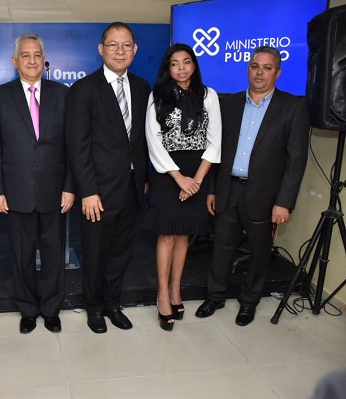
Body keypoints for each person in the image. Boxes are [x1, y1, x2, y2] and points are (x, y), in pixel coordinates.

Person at [195, 46, 310, 326]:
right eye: (255, 66)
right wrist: (211, 188)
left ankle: (249, 302)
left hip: (266, 195)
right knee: (221, 246)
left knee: (259, 252)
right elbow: (215, 151)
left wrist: (284, 202)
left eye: (267, 67)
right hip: (227, 188)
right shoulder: (230, 104)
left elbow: (296, 160)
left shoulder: (293, 107)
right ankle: (216, 296)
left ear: (278, 72)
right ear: (248, 69)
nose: (259, 72)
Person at [0, 33, 74, 334]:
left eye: (37, 54)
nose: (32, 60)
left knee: (53, 255)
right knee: (21, 255)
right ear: (15, 61)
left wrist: (70, 186)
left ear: (44, 60)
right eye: (26, 55)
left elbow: (71, 146)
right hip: (16, 191)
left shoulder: (62, 94)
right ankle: (27, 309)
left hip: (54, 191)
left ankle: (51, 309)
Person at [65, 22, 150, 334]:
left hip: (132, 188)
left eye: (126, 45)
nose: (120, 51)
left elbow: (141, 140)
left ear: (135, 50)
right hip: (98, 191)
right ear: (100, 49)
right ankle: (94, 307)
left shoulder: (142, 87)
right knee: (97, 252)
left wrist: (144, 177)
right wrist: (87, 191)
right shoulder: (84, 90)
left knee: (122, 250)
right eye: (113, 45)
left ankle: (113, 303)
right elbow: (78, 146)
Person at [145, 43, 221, 331]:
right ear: (168, 68)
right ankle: (162, 293)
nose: (181, 68)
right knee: (167, 234)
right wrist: (180, 179)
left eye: (186, 62)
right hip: (168, 174)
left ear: (194, 65)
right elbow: (154, 142)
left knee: (184, 235)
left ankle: (176, 288)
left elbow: (215, 142)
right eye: (174, 63)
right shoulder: (157, 97)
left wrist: (197, 182)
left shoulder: (208, 96)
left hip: (197, 172)